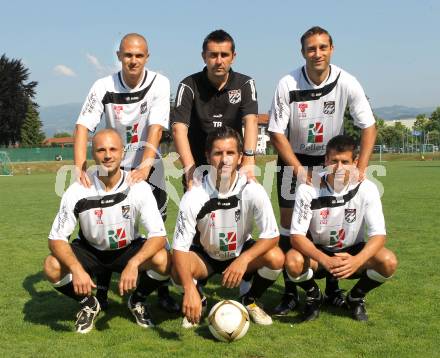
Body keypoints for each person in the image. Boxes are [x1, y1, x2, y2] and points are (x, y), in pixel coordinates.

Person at [268, 26, 377, 315]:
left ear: (332, 49)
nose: (317, 53)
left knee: (332, 224)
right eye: (311, 48)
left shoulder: (347, 81)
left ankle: (332, 289)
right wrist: (298, 170)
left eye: (323, 47)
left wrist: (361, 167)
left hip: (331, 161)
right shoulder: (287, 83)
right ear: (303, 51)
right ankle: (291, 293)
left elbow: (369, 125)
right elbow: (276, 133)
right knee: (291, 228)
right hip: (294, 159)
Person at [73, 33, 178, 313]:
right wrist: (79, 165)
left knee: (157, 229)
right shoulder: (102, 85)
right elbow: (83, 126)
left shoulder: (159, 82)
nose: (133, 60)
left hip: (148, 166)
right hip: (113, 165)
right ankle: (103, 290)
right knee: (108, 225)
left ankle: (161, 290)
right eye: (128, 55)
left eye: (139, 55)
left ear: (147, 57)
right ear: (119, 56)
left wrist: (144, 165)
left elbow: (156, 126)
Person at [43, 129, 171, 333]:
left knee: (164, 260)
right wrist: (76, 269)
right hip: (90, 250)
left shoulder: (137, 186)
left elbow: (158, 235)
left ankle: (137, 300)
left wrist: (134, 263)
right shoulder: (78, 189)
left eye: (113, 149)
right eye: (101, 150)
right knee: (52, 265)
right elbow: (56, 239)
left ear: (122, 153)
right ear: (93, 154)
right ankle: (89, 303)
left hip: (127, 249)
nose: (108, 155)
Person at [171, 127, 283, 327]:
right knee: (176, 269)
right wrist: (188, 289)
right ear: (207, 156)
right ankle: (199, 298)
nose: (225, 159)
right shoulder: (194, 196)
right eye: (218, 153)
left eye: (230, 153)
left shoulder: (252, 190)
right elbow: (179, 248)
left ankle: (249, 300)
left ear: (240, 157)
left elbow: (272, 236)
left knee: (276, 257)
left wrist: (244, 260)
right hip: (207, 256)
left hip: (241, 252)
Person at [285, 135, 397, 321]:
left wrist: (357, 260)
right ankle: (314, 295)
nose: (338, 167)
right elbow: (296, 237)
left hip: (353, 251)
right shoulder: (308, 189)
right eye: (334, 161)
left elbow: (379, 235)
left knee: (388, 262)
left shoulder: (367, 188)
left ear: (355, 163)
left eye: (345, 162)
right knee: (293, 261)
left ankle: (355, 298)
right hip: (320, 252)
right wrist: (325, 260)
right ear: (325, 161)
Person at [172, 29, 259, 190]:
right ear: (203, 56)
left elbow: (251, 121)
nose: (219, 61)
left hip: (233, 168)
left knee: (236, 214)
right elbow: (179, 129)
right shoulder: (188, 85)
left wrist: (248, 159)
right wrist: (190, 169)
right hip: (198, 167)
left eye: (224, 55)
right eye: (213, 55)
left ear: (233, 57)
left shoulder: (245, 84)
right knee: (197, 214)